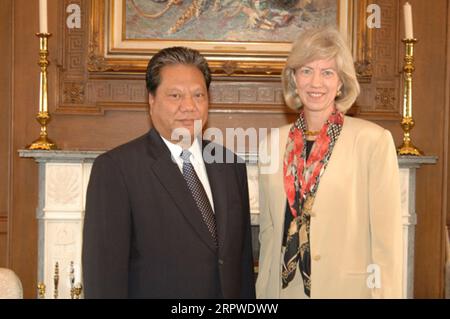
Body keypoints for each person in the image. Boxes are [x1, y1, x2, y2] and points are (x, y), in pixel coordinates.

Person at [82, 46, 255, 298]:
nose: (189, 106)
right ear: (151, 99)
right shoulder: (116, 169)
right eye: (175, 96)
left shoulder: (230, 166)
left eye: (199, 95)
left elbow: (241, 265)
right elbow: (104, 278)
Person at [256, 27, 403, 298]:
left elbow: (387, 242)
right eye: (306, 70)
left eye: (327, 72)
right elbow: (267, 231)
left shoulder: (372, 141)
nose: (316, 83)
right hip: (284, 291)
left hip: (349, 290)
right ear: (294, 79)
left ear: (341, 83)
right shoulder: (271, 144)